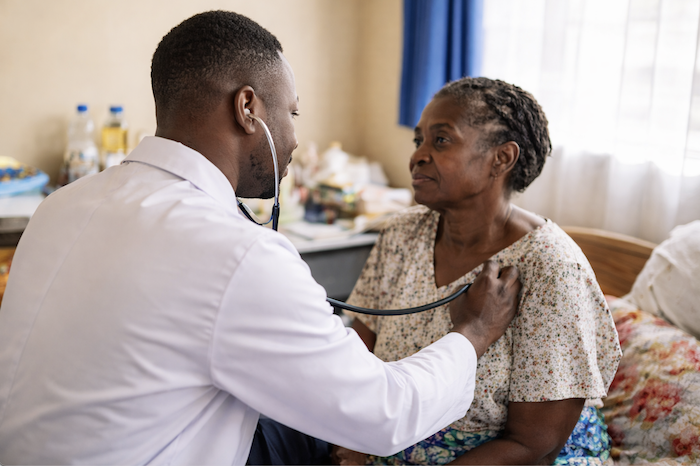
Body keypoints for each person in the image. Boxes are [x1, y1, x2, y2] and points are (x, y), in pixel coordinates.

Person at [0, 12, 522, 465]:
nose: (295, 138)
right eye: (291, 113)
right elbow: (384, 415)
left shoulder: (62, 204)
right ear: (248, 108)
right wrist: (473, 333)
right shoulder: (237, 254)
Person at [334, 77, 622, 465]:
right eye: (418, 140)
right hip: (393, 438)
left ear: (501, 159)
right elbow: (362, 348)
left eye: (440, 140)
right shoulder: (402, 234)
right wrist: (351, 435)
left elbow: (534, 445)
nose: (417, 156)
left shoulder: (550, 268)